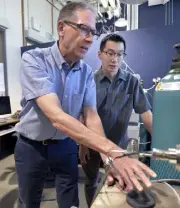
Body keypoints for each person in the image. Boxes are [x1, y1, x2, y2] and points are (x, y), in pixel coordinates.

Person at [14, 2, 156, 208]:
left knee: (70, 199)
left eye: (93, 32)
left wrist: (108, 158)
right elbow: (57, 117)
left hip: (65, 146)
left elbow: (91, 116)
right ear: (61, 28)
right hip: (31, 146)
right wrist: (114, 151)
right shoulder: (34, 60)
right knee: (29, 201)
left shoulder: (86, 72)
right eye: (83, 29)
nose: (89, 38)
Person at [79, 34, 153, 207]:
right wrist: (82, 145)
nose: (114, 59)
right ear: (100, 54)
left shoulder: (131, 82)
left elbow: (146, 113)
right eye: (110, 53)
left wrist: (162, 140)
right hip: (92, 145)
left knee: (118, 182)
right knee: (91, 182)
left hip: (118, 146)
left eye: (119, 54)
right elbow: (84, 116)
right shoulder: (89, 81)